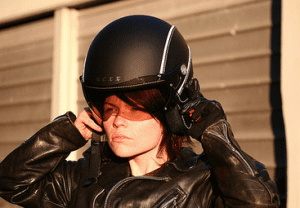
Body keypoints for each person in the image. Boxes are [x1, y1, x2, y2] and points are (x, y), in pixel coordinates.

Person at [0, 15, 279, 207]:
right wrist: (68, 133)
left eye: (134, 109)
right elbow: (11, 182)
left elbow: (257, 202)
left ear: (169, 113)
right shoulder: (83, 180)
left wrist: (216, 136)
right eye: (109, 109)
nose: (117, 121)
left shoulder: (204, 183)